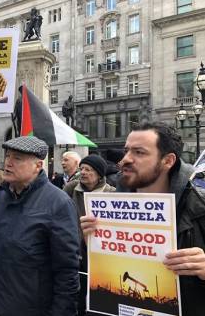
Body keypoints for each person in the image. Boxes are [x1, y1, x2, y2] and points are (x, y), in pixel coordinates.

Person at [80, 122, 205, 316]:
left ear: (168, 161)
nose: (126, 159)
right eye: (127, 150)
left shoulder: (199, 205)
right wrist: (93, 243)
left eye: (139, 152)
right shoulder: (109, 206)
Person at [0, 136, 80, 315]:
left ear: (38, 166)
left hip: (28, 307)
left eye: (17, 158)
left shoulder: (58, 203)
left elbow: (67, 270)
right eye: (8, 156)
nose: (8, 162)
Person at [63, 154, 115, 316]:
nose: (83, 172)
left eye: (88, 169)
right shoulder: (71, 188)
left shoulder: (112, 193)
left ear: (99, 174)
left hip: (101, 252)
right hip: (74, 247)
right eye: (82, 169)